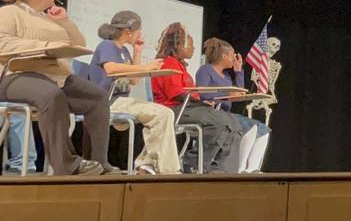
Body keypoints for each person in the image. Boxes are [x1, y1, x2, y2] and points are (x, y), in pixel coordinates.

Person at [0, 0, 116, 175]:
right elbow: (2, 44)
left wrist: (64, 21)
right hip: (15, 75)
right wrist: (45, 46)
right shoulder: (9, 13)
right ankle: (67, 165)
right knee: (51, 95)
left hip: (54, 77)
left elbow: (78, 44)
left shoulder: (50, 18)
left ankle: (98, 163)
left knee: (98, 98)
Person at [89, 11, 181, 174]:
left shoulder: (124, 51)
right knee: (163, 114)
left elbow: (134, 80)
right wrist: (146, 67)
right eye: (139, 30)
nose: (140, 34)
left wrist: (137, 51)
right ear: (128, 31)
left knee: (164, 114)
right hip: (107, 101)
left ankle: (151, 164)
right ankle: (161, 168)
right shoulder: (107, 45)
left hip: (121, 101)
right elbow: (110, 69)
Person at [151, 23, 242, 173]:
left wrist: (199, 101)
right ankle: (192, 162)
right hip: (173, 109)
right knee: (219, 121)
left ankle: (220, 168)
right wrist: (200, 101)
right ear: (179, 45)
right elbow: (177, 94)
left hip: (188, 107)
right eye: (191, 45)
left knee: (235, 124)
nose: (193, 49)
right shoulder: (167, 63)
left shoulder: (180, 66)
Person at [196, 38, 270, 173]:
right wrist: (227, 93)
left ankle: (252, 168)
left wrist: (238, 71)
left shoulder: (226, 76)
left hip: (226, 113)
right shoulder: (205, 70)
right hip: (213, 114)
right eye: (232, 55)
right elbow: (203, 94)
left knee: (264, 130)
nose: (235, 58)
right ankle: (241, 169)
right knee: (251, 128)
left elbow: (239, 94)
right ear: (224, 56)